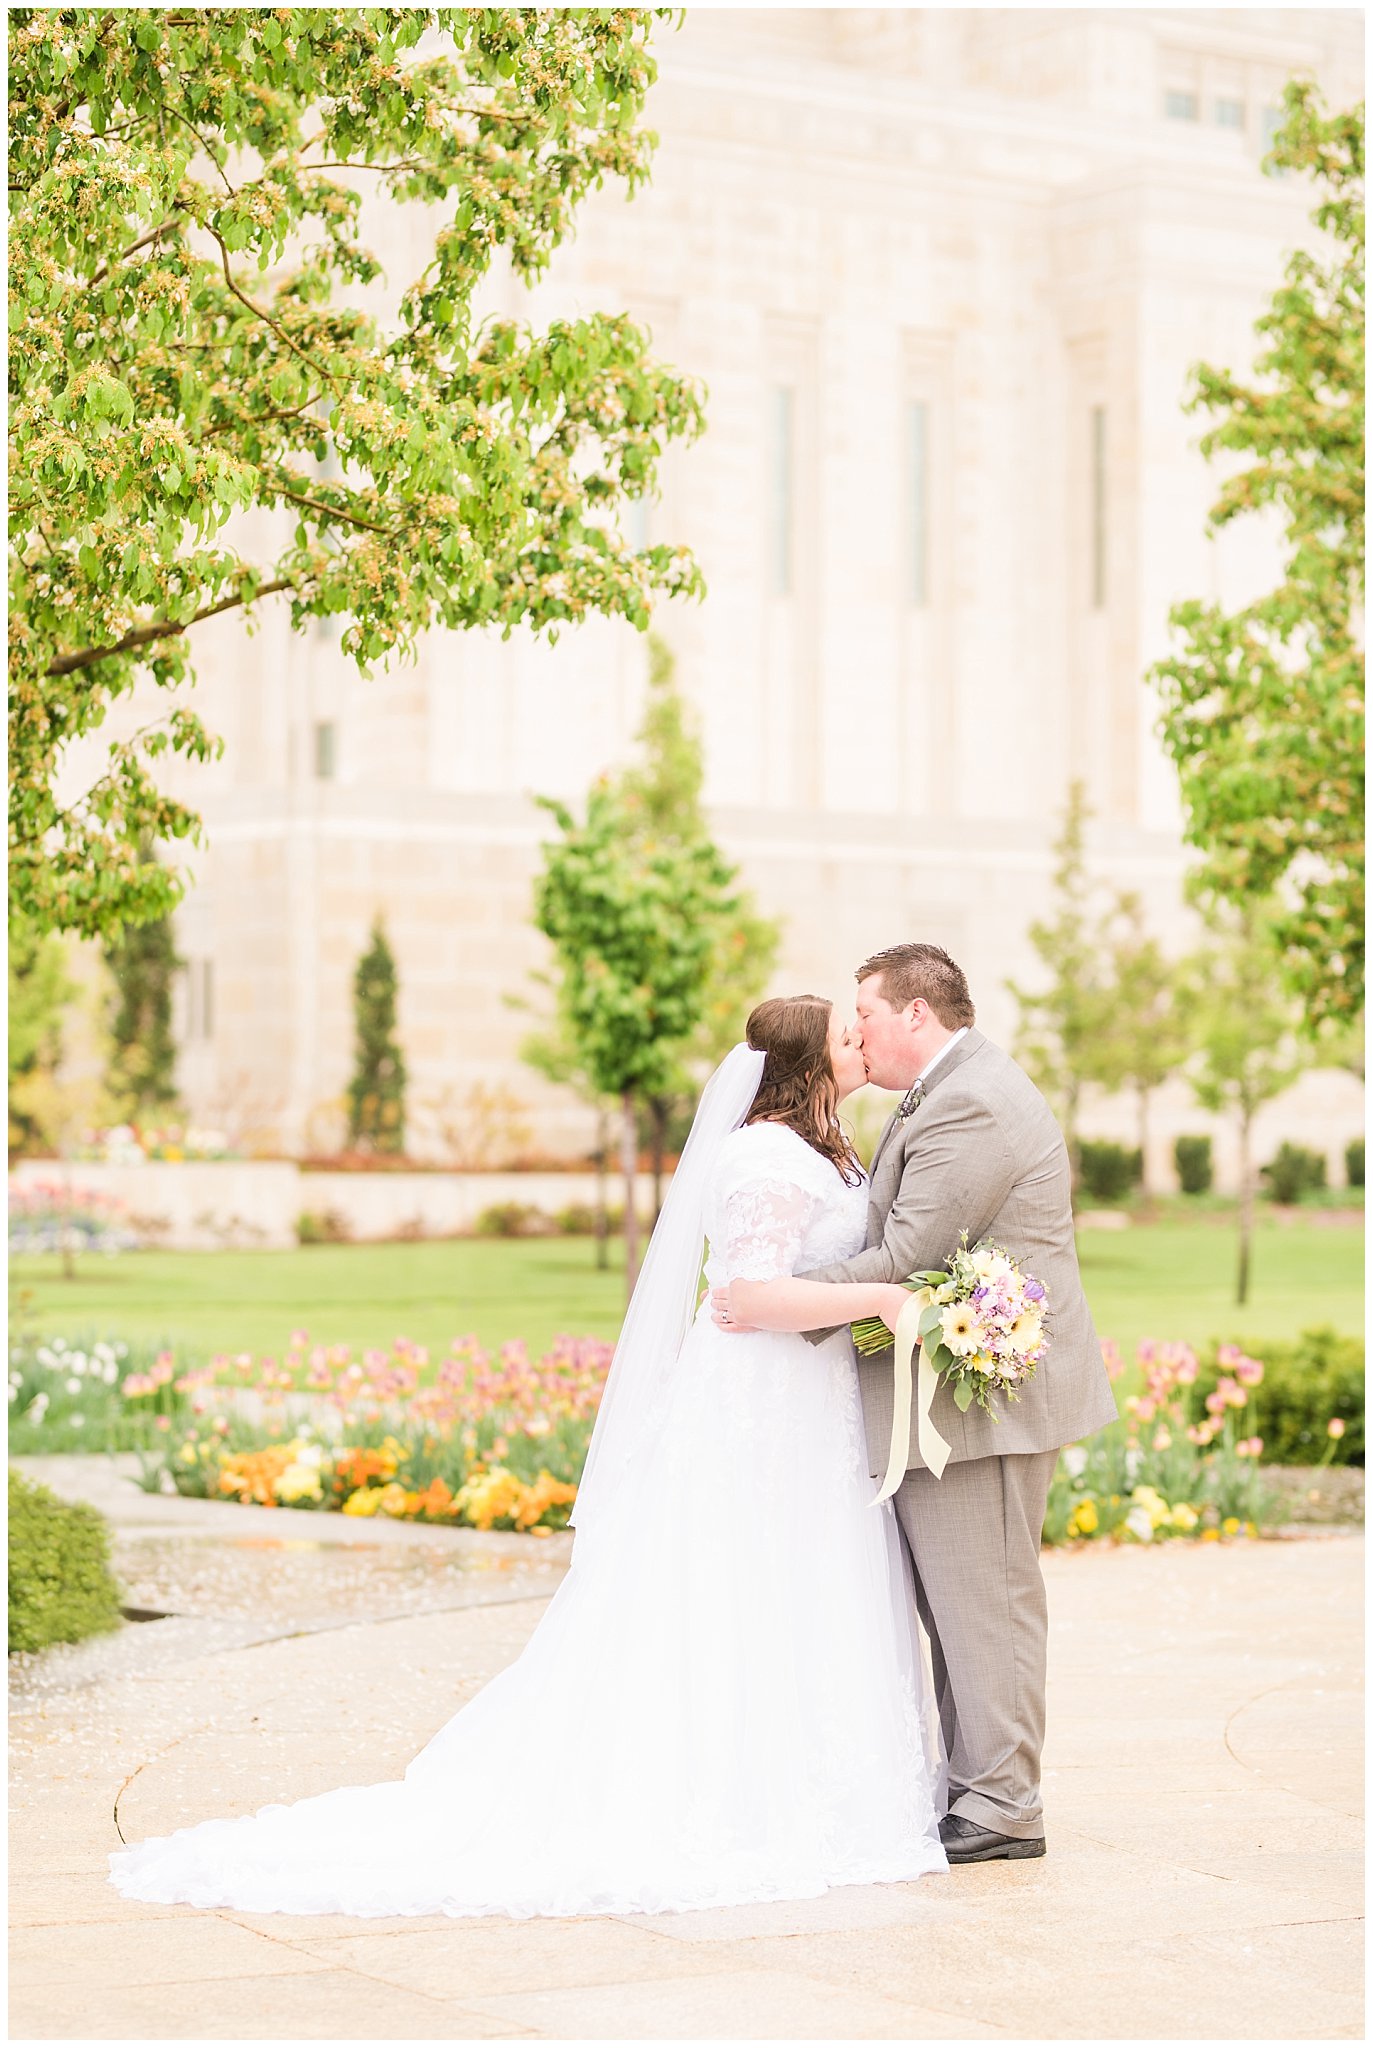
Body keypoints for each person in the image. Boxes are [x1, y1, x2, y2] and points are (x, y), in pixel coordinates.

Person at [108, 994, 948, 1920]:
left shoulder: (822, 1149)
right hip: (756, 1402)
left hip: (804, 1405)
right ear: (802, 1067)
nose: (861, 1040)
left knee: (801, 1582)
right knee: (734, 1582)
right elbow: (746, 1294)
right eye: (843, 1034)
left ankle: (817, 1776)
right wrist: (875, 1301)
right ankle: (732, 1794)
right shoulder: (759, 1157)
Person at [718, 944, 1117, 1864]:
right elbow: (909, 1266)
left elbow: (901, 1262)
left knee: (987, 1602)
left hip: (983, 1404)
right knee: (962, 1605)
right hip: (950, 1393)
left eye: (865, 1010)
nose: (854, 1028)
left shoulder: (970, 1102)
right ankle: (977, 1788)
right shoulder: (947, 1088)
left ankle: (1003, 1804)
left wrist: (773, 1298)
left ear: (915, 1017)